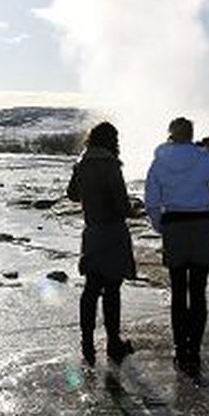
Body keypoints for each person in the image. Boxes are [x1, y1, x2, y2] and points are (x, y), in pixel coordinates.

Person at [145, 117, 209, 374]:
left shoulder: (159, 162)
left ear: (170, 134)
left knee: (179, 291)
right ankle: (195, 349)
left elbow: (151, 200)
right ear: (191, 134)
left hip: (174, 224)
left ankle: (180, 349)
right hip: (201, 225)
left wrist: (161, 226)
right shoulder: (203, 157)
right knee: (199, 290)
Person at [67, 122, 136, 366]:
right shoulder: (111, 165)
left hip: (93, 231)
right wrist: (133, 209)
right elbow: (121, 205)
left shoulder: (81, 163)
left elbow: (72, 195)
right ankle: (113, 343)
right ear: (111, 140)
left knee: (91, 288)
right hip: (113, 232)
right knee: (112, 289)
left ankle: (86, 342)